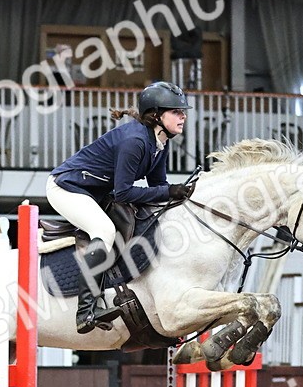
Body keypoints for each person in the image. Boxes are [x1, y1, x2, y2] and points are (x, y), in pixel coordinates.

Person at [48, 81, 197, 333]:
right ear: (156, 115)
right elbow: (124, 191)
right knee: (104, 231)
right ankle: (86, 310)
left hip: (93, 191)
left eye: (183, 111)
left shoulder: (160, 142)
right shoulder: (135, 141)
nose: (183, 116)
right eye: (176, 111)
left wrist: (179, 194)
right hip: (67, 187)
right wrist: (169, 190)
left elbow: (158, 185)